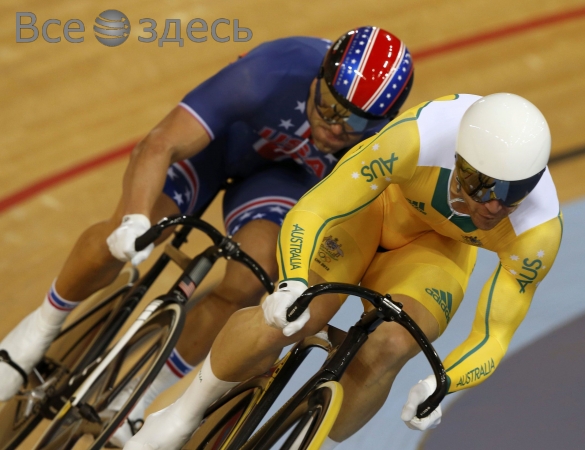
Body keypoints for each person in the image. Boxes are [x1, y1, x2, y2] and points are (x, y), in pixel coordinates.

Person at [0, 26, 414, 445]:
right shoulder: (275, 70)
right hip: (216, 149)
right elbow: (159, 145)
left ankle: (137, 397)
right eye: (328, 105)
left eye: (356, 121)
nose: (336, 127)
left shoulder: (385, 145)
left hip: (283, 180)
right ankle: (37, 331)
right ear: (317, 77)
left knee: (250, 279)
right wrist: (135, 222)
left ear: (383, 121)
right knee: (126, 231)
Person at [124, 92, 563, 449]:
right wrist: (292, 280)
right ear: (459, 159)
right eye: (483, 187)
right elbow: (318, 207)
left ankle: (313, 443)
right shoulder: (418, 138)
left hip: (436, 253)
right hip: (373, 211)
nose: (494, 207)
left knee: (393, 343)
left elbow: (493, 335)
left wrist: (444, 383)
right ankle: (179, 418)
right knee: (298, 315)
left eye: (514, 194)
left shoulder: (538, 231)